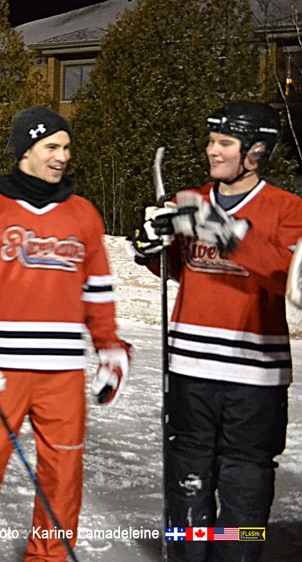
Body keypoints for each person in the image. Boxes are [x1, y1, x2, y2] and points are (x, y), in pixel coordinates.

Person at [0, 105, 131, 561]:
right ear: (26, 149)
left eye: (66, 147)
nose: (62, 156)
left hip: (63, 373)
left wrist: (108, 347)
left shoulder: (83, 215)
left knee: (62, 477)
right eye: (52, 146)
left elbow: (98, 289)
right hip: (1, 369)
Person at [130, 101, 302, 562]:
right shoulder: (193, 200)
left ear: (256, 152)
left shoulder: (287, 209)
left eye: (224, 142)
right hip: (191, 366)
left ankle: (236, 556)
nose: (212, 151)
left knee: (245, 483)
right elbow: (180, 267)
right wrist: (152, 249)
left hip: (255, 378)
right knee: (187, 475)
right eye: (211, 141)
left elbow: (290, 277)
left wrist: (225, 232)